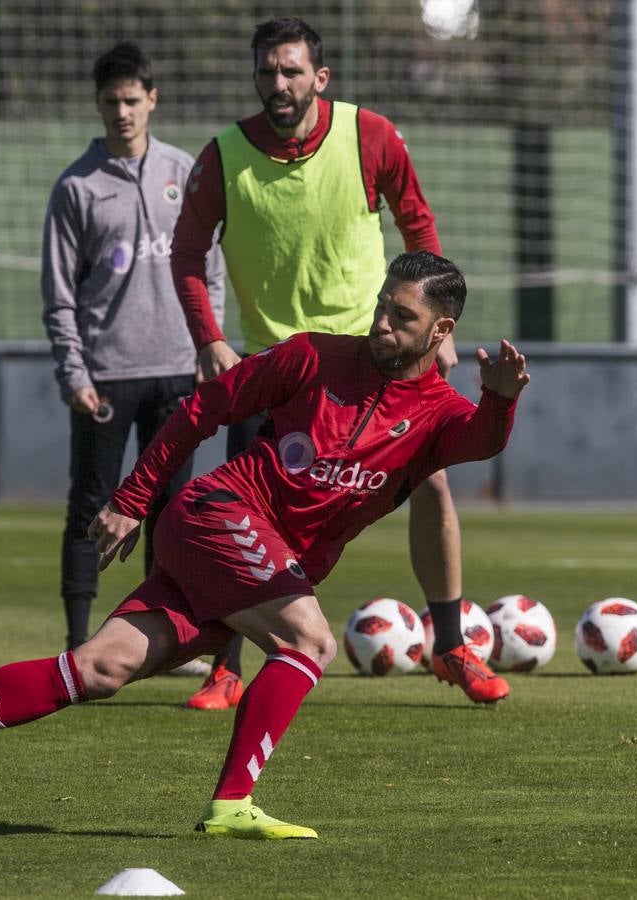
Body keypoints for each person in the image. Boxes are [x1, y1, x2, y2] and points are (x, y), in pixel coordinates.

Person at [0, 252, 529, 839]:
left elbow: (482, 441)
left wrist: (498, 401)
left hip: (240, 557)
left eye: (402, 317)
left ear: (441, 331)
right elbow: (200, 410)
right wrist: (131, 497)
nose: (382, 322)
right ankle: (232, 804)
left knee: (100, 669)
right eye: (382, 306)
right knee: (310, 642)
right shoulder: (311, 356)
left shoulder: (439, 415)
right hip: (217, 515)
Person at [169, 17, 479, 710]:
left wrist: (434, 331)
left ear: (319, 77)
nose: (276, 85)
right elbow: (186, 254)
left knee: (429, 486)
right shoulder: (222, 155)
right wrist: (208, 337)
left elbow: (416, 223)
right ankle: (226, 666)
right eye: (265, 73)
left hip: (375, 354)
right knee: (248, 514)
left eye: (289, 71)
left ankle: (451, 642)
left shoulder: (369, 135)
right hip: (273, 363)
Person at [42, 41, 225, 659]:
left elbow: (211, 266)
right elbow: (59, 292)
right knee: (91, 507)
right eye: (110, 102)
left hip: (179, 369)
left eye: (131, 100)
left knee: (173, 513)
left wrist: (210, 343)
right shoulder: (76, 186)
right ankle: (76, 640)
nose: (122, 112)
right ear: (98, 106)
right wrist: (74, 369)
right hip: (107, 374)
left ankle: (161, 639)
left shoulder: (183, 171)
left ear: (152, 100)